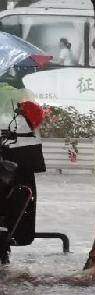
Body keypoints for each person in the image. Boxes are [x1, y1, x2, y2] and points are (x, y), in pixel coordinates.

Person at [0, 67, 45, 251]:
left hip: (6, 154)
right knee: (23, 197)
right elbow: (36, 120)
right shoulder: (25, 95)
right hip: (25, 157)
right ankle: (15, 236)